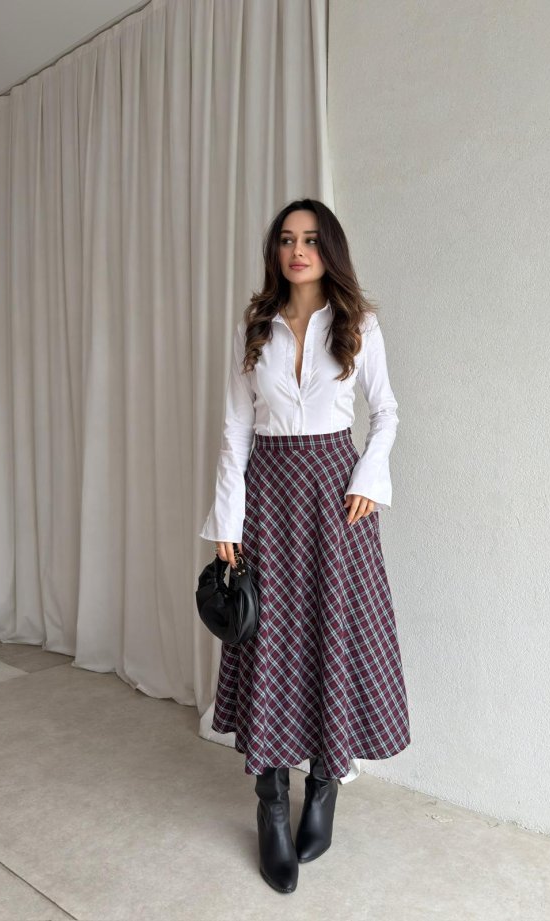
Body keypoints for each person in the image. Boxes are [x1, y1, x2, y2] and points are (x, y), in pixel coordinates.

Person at [199, 198, 411, 893]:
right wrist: (227, 523)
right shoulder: (256, 326)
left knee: (332, 633)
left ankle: (322, 782)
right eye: (287, 239)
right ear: (276, 251)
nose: (297, 250)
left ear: (329, 250)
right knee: (267, 639)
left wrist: (369, 478)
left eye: (311, 239)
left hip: (335, 497)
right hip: (267, 492)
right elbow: (236, 430)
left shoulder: (358, 323)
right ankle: (269, 800)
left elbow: (385, 410)